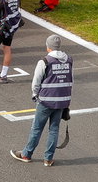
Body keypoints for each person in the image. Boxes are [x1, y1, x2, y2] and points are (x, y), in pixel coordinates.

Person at [12, 34, 73, 166]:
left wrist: (35, 95)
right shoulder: (69, 60)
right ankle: (48, 159)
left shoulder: (45, 61)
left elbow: (36, 82)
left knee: (37, 129)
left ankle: (26, 154)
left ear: (48, 47)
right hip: (62, 101)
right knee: (54, 129)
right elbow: (70, 80)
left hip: (45, 101)